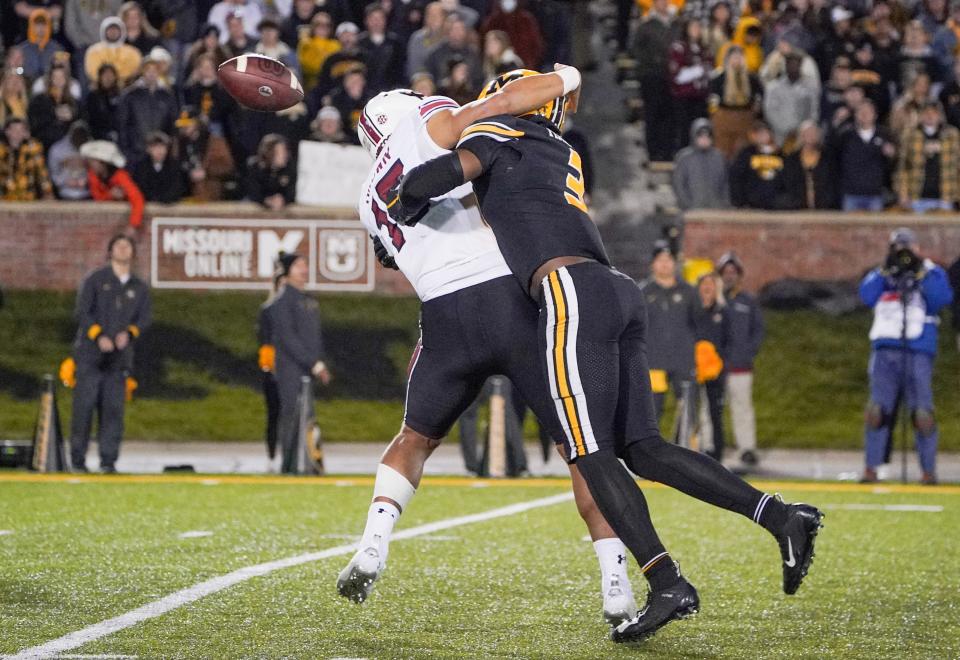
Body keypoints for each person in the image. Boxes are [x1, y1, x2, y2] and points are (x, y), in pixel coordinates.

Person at [390, 69, 824, 643]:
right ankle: (781, 517)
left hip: (569, 292)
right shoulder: (561, 152)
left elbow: (442, 173)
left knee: (588, 451)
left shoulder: (500, 135)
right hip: (617, 290)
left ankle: (666, 581)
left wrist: (400, 199)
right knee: (643, 448)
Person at [341, 73, 642, 628]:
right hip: (508, 299)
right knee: (579, 443)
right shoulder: (426, 122)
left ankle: (372, 543)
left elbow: (389, 254)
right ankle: (615, 580)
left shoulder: (365, 197)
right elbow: (502, 105)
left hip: (443, 317)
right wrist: (566, 78)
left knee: (414, 438)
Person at [859, 228, 953, 484]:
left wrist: (920, 270)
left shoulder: (931, 271)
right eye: (898, 248)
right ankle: (871, 469)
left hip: (918, 350)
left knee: (923, 414)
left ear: (917, 248)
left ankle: (928, 471)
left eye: (907, 247)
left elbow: (941, 298)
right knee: (877, 411)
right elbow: (866, 296)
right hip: (885, 350)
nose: (903, 253)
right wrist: (884, 269)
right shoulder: (884, 272)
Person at [69, 234, 151, 473]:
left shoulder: (139, 287)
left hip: (119, 358)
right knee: (84, 407)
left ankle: (108, 460)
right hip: (91, 356)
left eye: (127, 246)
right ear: (110, 251)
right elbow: (83, 312)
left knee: (113, 410)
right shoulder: (96, 280)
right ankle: (78, 459)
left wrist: (130, 333)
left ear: (133, 253)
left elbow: (144, 318)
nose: (123, 250)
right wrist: (98, 335)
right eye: (119, 246)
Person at [271, 252, 331, 473]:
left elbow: (311, 337)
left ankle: (308, 463)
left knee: (307, 417)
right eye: (298, 266)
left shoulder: (307, 300)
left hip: (307, 368)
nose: (304, 270)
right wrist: (313, 363)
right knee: (291, 415)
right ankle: (289, 465)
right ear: (287, 271)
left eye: (305, 265)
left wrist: (317, 362)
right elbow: (288, 339)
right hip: (290, 369)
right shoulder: (282, 302)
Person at [640, 242, 698, 427]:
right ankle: (651, 452)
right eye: (660, 260)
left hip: (684, 361)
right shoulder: (643, 291)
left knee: (688, 410)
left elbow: (699, 324)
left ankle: (687, 451)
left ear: (675, 263)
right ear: (653, 264)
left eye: (668, 260)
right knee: (651, 412)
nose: (665, 264)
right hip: (653, 362)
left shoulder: (688, 291)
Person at [716, 252, 764, 468]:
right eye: (725, 272)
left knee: (743, 408)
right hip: (715, 367)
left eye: (733, 272)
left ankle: (746, 448)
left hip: (740, 365)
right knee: (710, 410)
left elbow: (758, 330)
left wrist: (748, 352)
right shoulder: (714, 299)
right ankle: (710, 446)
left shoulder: (748, 301)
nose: (729, 276)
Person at [896, 100, 960, 212]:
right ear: (920, 115)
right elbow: (903, 167)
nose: (930, 116)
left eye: (934, 113)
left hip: (945, 196)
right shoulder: (910, 135)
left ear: (940, 116)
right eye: (926, 112)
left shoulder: (952, 135)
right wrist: (903, 193)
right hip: (916, 195)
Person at [832, 99, 896, 212]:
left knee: (876, 228)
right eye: (861, 112)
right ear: (855, 115)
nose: (865, 115)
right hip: (851, 193)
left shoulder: (885, 134)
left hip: (875, 193)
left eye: (868, 112)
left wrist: (891, 155)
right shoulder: (846, 135)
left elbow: (894, 164)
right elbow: (834, 158)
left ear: (875, 115)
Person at [631, 0, 674, 161]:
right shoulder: (646, 25)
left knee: (669, 115)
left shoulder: (676, 23)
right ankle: (653, 152)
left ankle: (668, 151)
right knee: (653, 114)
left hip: (672, 77)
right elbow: (636, 49)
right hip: (651, 76)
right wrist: (653, 62)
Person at [116, 55, 179, 163]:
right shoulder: (130, 95)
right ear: (142, 72)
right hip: (136, 151)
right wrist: (126, 151)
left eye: (154, 70)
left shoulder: (167, 95)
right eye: (148, 70)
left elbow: (173, 124)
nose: (151, 73)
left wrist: (169, 148)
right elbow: (123, 125)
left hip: (161, 153)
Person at [693, 272, 727, 462]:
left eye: (711, 285)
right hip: (694, 370)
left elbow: (729, 341)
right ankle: (694, 449)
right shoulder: (693, 311)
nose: (707, 288)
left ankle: (717, 452)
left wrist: (721, 363)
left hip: (715, 371)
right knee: (692, 411)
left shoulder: (722, 312)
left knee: (715, 412)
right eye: (704, 284)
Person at [708, 45, 763, 159]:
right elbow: (711, 100)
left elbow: (759, 97)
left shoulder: (752, 78)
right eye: (734, 57)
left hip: (745, 117)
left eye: (740, 57)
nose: (737, 60)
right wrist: (715, 115)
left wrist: (754, 112)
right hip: (724, 117)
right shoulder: (718, 78)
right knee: (722, 151)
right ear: (728, 59)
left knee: (742, 152)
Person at [668, 17, 711, 151]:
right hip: (684, 97)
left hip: (701, 96)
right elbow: (677, 76)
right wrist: (699, 70)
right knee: (684, 131)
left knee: (701, 130)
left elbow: (710, 69)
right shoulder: (679, 47)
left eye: (698, 27)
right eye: (693, 27)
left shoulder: (704, 48)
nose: (696, 30)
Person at [81, 139, 145, 229]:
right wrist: (110, 195)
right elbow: (97, 198)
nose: (90, 165)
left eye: (93, 161)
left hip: (123, 219)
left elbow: (137, 199)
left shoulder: (120, 176)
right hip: (102, 223)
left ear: (102, 163)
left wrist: (133, 225)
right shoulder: (93, 176)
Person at [256, 269, 284, 473]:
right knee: (274, 415)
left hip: (292, 369)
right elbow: (265, 341)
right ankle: (272, 456)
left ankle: (291, 455)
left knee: (293, 416)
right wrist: (269, 367)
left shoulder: (299, 308)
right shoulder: (269, 310)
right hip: (274, 369)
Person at [763, 52, 820, 147]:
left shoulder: (811, 87)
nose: (793, 67)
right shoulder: (773, 87)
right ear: (785, 65)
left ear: (801, 65)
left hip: (802, 136)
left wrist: (804, 130)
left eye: (796, 64)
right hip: (779, 134)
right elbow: (770, 111)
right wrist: (785, 129)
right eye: (790, 63)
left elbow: (814, 111)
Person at [729, 120, 791, 209]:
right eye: (757, 133)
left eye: (764, 132)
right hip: (751, 206)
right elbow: (736, 177)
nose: (761, 135)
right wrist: (740, 202)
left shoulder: (781, 155)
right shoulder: (746, 154)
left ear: (771, 134)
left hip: (776, 206)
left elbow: (788, 179)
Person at [672, 117, 730, 210]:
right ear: (694, 136)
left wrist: (724, 204)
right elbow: (679, 185)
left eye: (707, 136)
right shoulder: (684, 158)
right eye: (701, 136)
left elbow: (725, 184)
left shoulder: (719, 157)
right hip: (691, 211)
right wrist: (688, 205)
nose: (704, 139)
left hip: (716, 210)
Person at [782, 120, 838, 209]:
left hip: (824, 208)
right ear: (801, 136)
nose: (810, 136)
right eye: (807, 133)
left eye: (813, 133)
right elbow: (788, 182)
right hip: (797, 207)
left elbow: (832, 182)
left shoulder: (827, 158)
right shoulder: (792, 159)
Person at [0, 116, 54, 200]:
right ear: (7, 131)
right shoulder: (1, 150)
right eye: (14, 130)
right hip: (4, 198)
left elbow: (42, 173)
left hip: (28, 198)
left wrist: (47, 192)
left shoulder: (33, 149)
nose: (17, 133)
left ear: (26, 133)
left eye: (21, 130)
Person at [480, 0, 544, 71]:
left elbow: (535, 46)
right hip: (495, 63)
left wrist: (529, 66)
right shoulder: (492, 22)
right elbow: (482, 43)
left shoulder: (526, 21)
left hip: (525, 67)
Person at [27, 62, 77, 151]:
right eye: (55, 77)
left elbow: (79, 125)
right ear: (50, 79)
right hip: (45, 145)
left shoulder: (74, 102)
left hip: (69, 147)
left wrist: (71, 117)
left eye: (62, 76)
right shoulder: (38, 100)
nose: (59, 80)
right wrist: (54, 113)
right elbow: (33, 125)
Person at [83, 16, 143, 87]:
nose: (113, 32)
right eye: (110, 29)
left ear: (122, 31)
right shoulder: (93, 51)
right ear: (104, 30)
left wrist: (118, 80)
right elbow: (93, 72)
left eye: (116, 29)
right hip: (101, 87)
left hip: (127, 86)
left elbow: (134, 70)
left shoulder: (133, 52)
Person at [358, 3, 404, 95]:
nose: (376, 22)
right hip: (365, 94)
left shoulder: (395, 43)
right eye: (372, 18)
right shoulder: (359, 43)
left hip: (390, 92)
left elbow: (400, 70)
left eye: (380, 18)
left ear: (385, 20)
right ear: (366, 21)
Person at [131, 131, 185, 203]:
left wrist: (164, 200)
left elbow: (177, 188)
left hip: (169, 207)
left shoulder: (174, 166)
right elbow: (138, 187)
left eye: (162, 147)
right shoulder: (141, 167)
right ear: (148, 149)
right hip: (147, 205)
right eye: (155, 147)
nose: (159, 151)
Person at [246, 133, 296, 209]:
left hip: (283, 206)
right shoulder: (255, 167)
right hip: (256, 206)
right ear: (269, 153)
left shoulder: (289, 168)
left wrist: (283, 200)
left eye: (285, 151)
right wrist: (265, 200)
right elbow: (252, 191)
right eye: (280, 152)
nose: (285, 156)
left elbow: (292, 192)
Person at [17, 8, 65, 82]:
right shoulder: (21, 49)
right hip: (27, 85)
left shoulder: (57, 48)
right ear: (31, 26)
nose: (41, 28)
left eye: (44, 24)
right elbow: (17, 71)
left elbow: (64, 69)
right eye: (37, 25)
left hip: (50, 84)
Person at [296, 11, 340, 91]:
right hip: (311, 87)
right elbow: (307, 66)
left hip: (332, 86)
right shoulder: (305, 43)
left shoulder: (335, 45)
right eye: (319, 24)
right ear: (313, 26)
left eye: (327, 25)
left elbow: (337, 68)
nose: (323, 27)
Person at [48, 119, 90, 199]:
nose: (79, 138)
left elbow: (97, 173)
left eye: (82, 135)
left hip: (86, 193)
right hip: (64, 194)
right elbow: (53, 174)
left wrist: (86, 181)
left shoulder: (92, 148)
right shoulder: (57, 149)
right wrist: (65, 182)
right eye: (77, 134)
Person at [406, 1, 446, 81]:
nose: (433, 19)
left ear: (444, 18)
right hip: (421, 83)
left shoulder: (449, 40)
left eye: (436, 16)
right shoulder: (417, 38)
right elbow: (414, 67)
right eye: (429, 15)